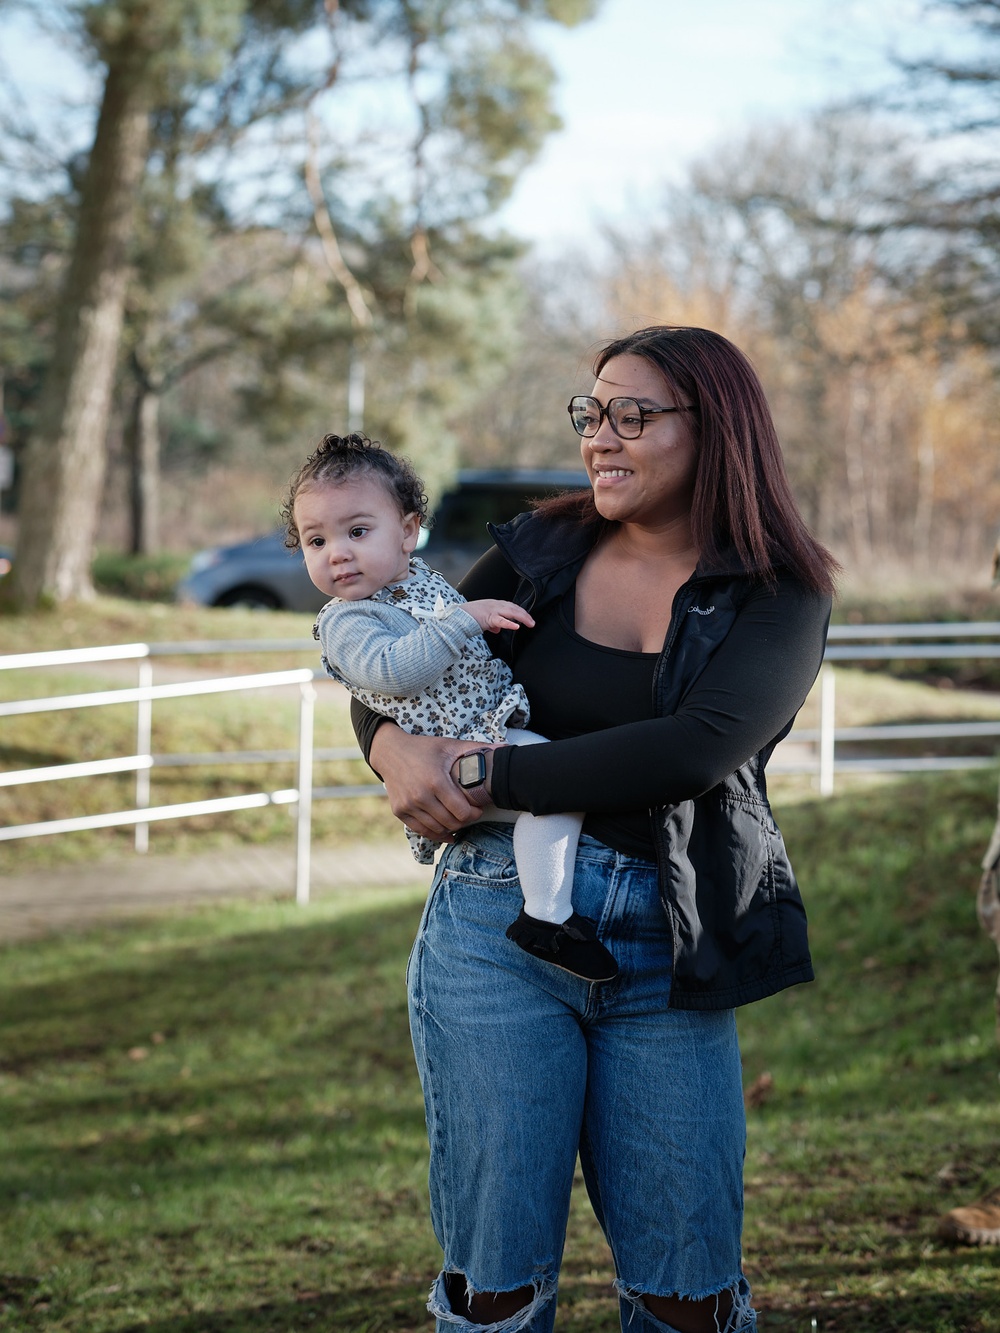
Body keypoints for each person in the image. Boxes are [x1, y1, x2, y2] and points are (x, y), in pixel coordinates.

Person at [351, 325, 837, 1333]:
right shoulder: (542, 548)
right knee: (497, 1287)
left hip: (672, 941)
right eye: (591, 411)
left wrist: (484, 773)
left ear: (718, 431)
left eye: (633, 414)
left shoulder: (780, 591)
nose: (600, 437)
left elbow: (694, 747)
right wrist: (390, 749)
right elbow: (401, 652)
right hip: (492, 931)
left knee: (684, 1291)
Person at [281, 433, 618, 982]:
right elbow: (392, 672)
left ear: (409, 531)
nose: (337, 552)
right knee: (553, 787)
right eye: (316, 542)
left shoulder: (421, 586)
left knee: (553, 785)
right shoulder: (346, 620)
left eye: (357, 532)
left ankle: (547, 913)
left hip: (482, 734)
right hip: (453, 763)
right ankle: (547, 918)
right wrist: (466, 618)